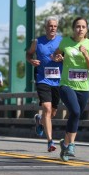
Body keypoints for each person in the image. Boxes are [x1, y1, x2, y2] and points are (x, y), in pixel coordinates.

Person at [53, 17, 89, 162]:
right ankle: (71, 144)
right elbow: (56, 55)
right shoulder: (65, 41)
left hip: (83, 87)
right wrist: (58, 57)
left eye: (83, 27)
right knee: (76, 111)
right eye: (78, 26)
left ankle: (65, 144)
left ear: (86, 30)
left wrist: (85, 53)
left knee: (75, 115)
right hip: (66, 84)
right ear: (73, 28)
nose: (80, 29)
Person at [26, 16, 63, 152]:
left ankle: (40, 120)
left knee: (52, 112)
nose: (52, 28)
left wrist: (62, 58)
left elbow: (69, 57)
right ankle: (50, 141)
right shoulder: (38, 42)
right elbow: (29, 54)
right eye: (50, 26)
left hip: (58, 81)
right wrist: (31, 61)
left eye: (54, 26)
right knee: (47, 108)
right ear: (45, 27)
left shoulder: (62, 41)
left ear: (57, 28)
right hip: (42, 79)